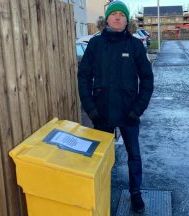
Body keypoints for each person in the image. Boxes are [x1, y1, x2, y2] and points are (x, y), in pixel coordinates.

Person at [77, 0, 154, 213]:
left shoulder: (135, 45)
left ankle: (135, 193)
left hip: (129, 113)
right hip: (102, 114)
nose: (117, 17)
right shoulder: (95, 44)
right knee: (100, 157)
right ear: (107, 19)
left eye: (122, 14)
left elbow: (147, 80)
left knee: (134, 155)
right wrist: (92, 111)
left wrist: (137, 110)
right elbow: (83, 77)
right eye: (114, 14)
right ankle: (102, 190)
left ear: (126, 20)